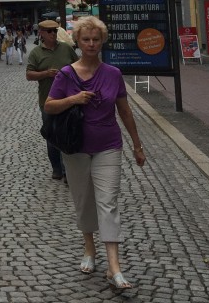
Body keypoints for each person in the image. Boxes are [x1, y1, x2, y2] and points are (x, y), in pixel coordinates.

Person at [44, 16, 146, 291]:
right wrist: (74, 99)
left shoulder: (112, 73)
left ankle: (115, 267)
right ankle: (89, 248)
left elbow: (124, 110)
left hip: (108, 145)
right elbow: (50, 106)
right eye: (86, 39)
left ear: (102, 41)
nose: (91, 43)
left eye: (95, 39)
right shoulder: (66, 74)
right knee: (84, 199)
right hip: (75, 147)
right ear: (78, 42)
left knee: (108, 202)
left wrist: (137, 144)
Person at [26, 19, 77, 181]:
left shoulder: (66, 48)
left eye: (55, 31)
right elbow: (29, 75)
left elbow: (79, 66)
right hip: (47, 101)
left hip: (69, 99)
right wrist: (45, 74)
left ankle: (69, 169)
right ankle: (57, 167)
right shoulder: (36, 53)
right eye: (49, 31)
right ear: (41, 33)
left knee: (70, 133)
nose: (53, 34)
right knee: (52, 136)